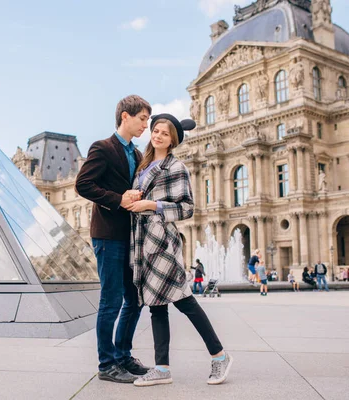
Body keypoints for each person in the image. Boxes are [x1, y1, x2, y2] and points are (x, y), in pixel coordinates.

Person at [127, 114, 232, 387]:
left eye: (165, 133)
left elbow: (187, 208)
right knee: (156, 306)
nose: (158, 135)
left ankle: (220, 356)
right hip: (142, 242)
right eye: (156, 130)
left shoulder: (176, 167)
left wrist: (152, 205)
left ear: (173, 139)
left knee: (185, 301)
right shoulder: (143, 165)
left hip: (162, 241)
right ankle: (162, 368)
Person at [75, 95, 152, 383]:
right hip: (108, 235)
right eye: (142, 118)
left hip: (131, 236)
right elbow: (83, 184)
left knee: (134, 299)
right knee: (111, 301)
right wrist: (118, 200)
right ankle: (107, 364)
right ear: (125, 117)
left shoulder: (137, 154)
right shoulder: (103, 148)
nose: (146, 124)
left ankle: (122, 356)